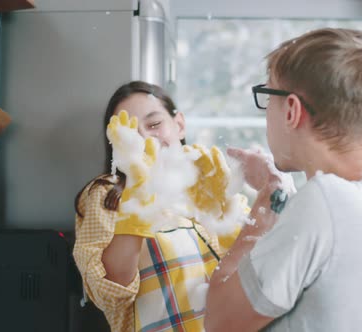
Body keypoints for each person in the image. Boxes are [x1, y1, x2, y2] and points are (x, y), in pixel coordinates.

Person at [204, 28, 362, 331]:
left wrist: (271, 196)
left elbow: (220, 320)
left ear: (292, 110)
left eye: (268, 96)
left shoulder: (325, 201)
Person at [73, 81, 239, 332]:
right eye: (130, 131)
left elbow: (243, 277)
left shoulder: (201, 186)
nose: (145, 137)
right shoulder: (107, 194)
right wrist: (136, 204)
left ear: (179, 124)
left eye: (154, 124)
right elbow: (108, 294)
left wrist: (228, 215)